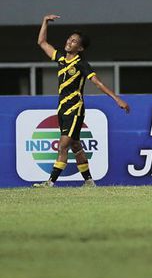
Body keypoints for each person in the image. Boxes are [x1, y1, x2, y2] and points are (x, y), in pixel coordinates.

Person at [33, 15, 130, 188]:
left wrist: (117, 99)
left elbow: (98, 83)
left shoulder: (82, 64)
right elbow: (42, 42)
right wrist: (45, 22)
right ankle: (89, 181)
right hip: (62, 108)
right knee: (76, 145)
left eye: (74, 41)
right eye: (69, 39)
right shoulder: (61, 59)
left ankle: (50, 182)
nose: (69, 42)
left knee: (63, 146)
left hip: (75, 109)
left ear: (81, 47)